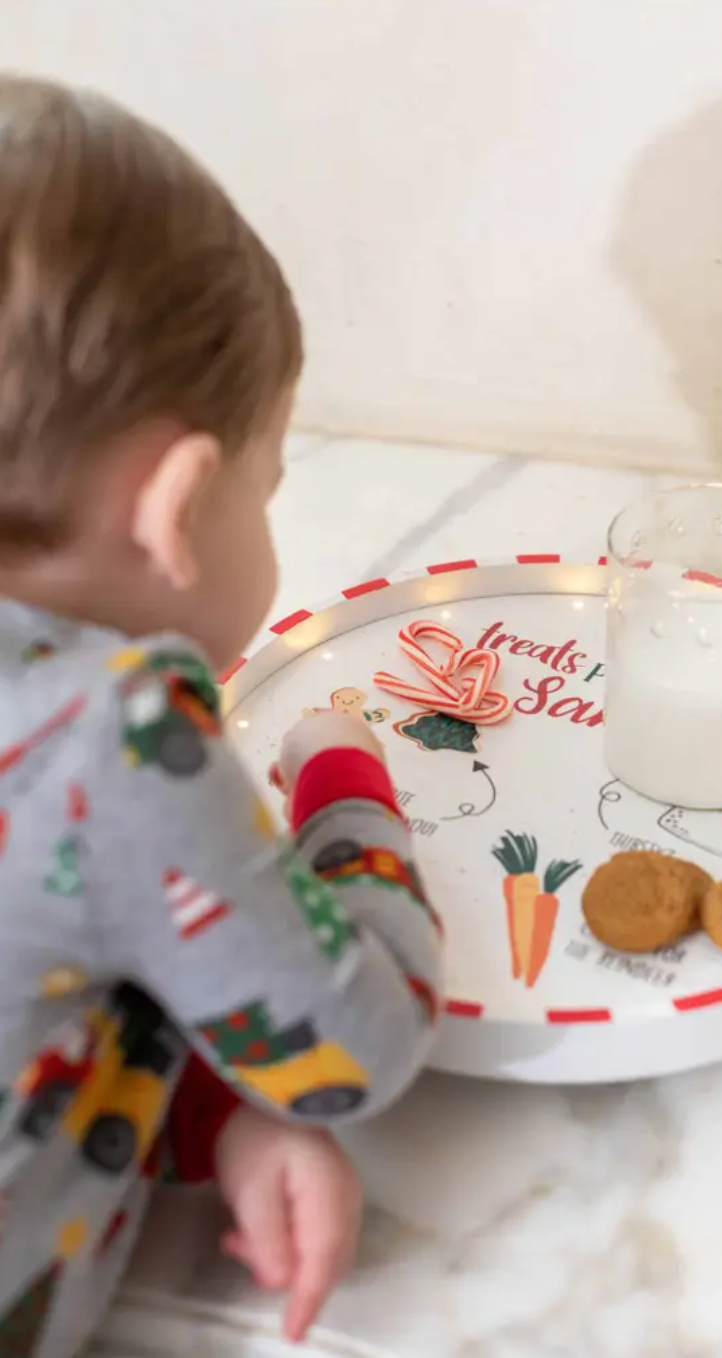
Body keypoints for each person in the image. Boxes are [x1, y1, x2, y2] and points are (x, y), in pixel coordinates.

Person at [0, 75, 443, 1357]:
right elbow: (349, 1047)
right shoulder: (118, 738)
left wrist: (208, 1118)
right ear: (178, 504)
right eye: (269, 482)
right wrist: (348, 800)